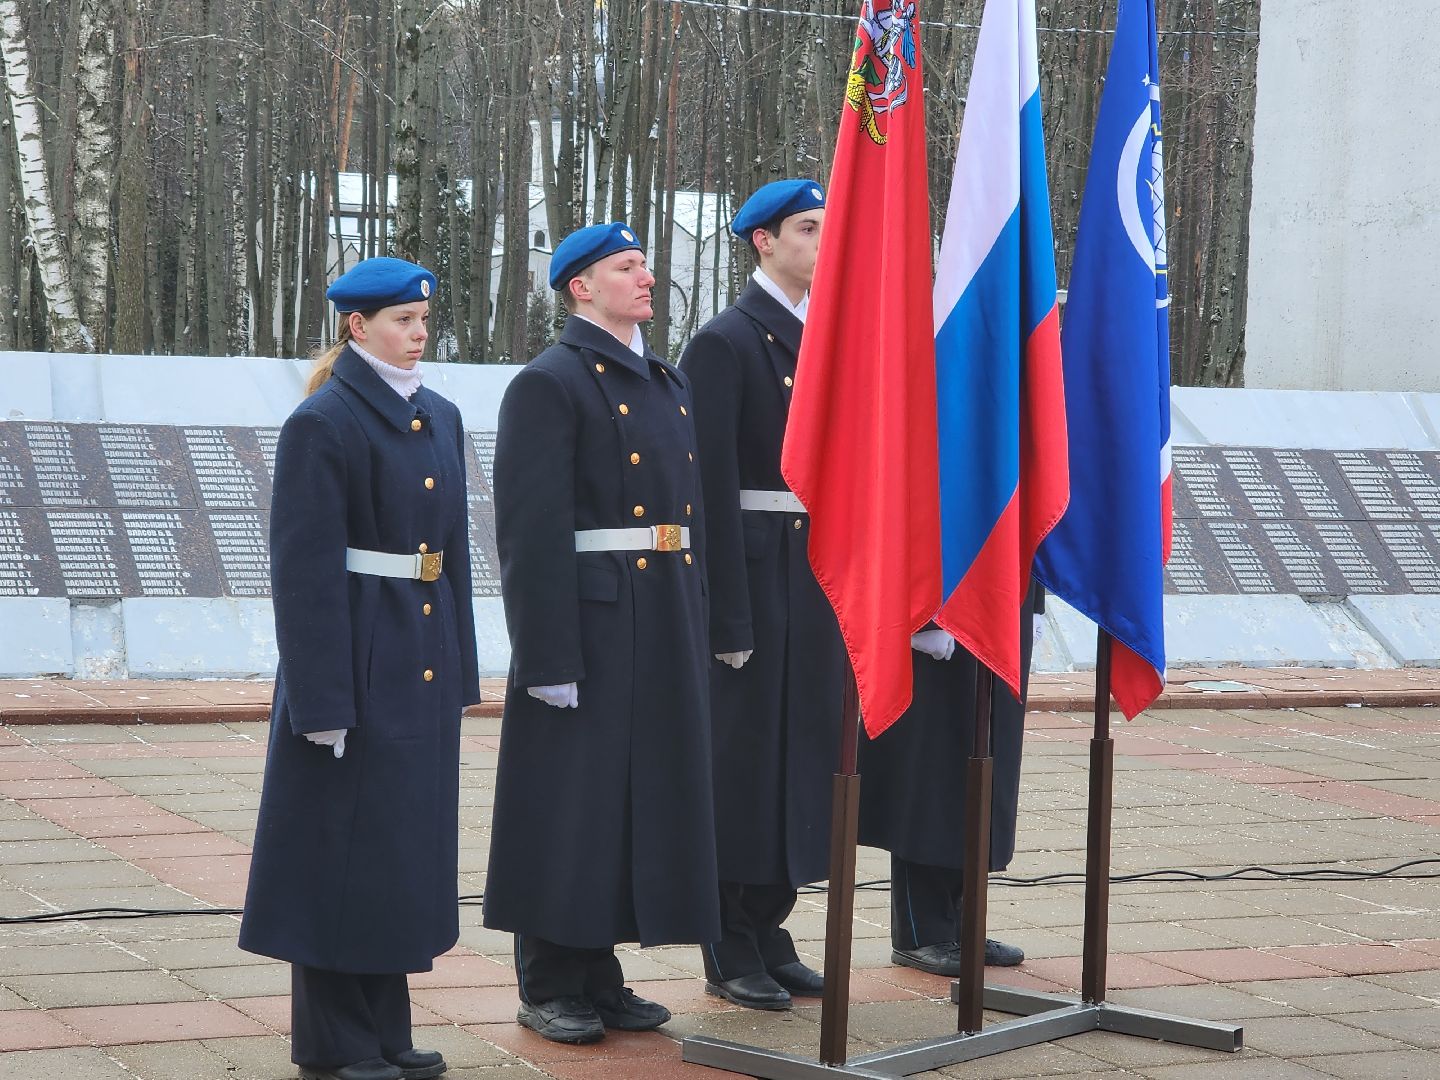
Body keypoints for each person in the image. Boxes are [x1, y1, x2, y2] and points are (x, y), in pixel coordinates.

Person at [239, 257, 480, 1080]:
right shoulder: (328, 420)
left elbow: (451, 556)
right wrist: (321, 699)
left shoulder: (438, 415)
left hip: (418, 655)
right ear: (357, 327)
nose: (419, 334)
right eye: (403, 321)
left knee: (395, 854)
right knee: (337, 855)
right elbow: (302, 573)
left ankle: (385, 1031)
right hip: (355, 656)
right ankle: (335, 1044)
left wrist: (462, 671)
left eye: (422, 319)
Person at [483, 222, 720, 1045]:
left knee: (638, 795)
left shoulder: (665, 378)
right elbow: (529, 529)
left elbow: (689, 515)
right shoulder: (550, 382)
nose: (647, 276)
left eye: (645, 263)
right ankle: (549, 977)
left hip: (662, 611)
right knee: (571, 801)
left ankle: (601, 972)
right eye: (627, 266)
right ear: (581, 286)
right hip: (590, 618)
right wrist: (545, 653)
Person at [678, 179, 844, 1011]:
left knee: (800, 754)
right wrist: (725, 611)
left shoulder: (827, 334)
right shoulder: (728, 341)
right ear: (762, 242)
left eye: (825, 227)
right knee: (743, 763)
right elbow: (706, 487)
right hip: (753, 567)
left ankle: (771, 921)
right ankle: (729, 935)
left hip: (814, 570)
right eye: (807, 229)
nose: (822, 241)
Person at [858, 583, 1045, 976]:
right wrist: (922, 617)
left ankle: (960, 925)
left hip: (1004, 599)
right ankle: (920, 933)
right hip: (944, 603)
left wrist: (1036, 602)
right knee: (932, 773)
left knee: (987, 763)